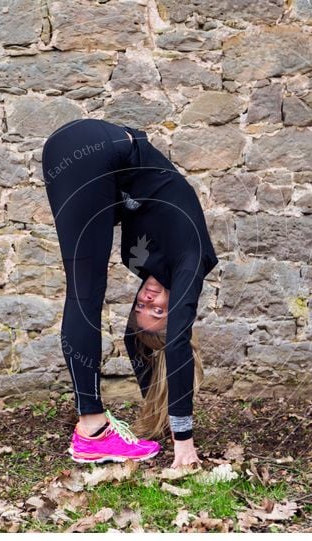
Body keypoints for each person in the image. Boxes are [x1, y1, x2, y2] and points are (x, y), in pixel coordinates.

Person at [42, 118, 218, 468]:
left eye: (140, 308)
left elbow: (132, 338)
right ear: (176, 310)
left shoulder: (144, 264)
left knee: (84, 291)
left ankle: (94, 425)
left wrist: (153, 407)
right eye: (159, 312)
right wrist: (182, 440)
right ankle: (92, 428)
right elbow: (177, 341)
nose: (147, 301)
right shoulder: (191, 260)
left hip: (68, 148)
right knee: (85, 294)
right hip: (101, 149)